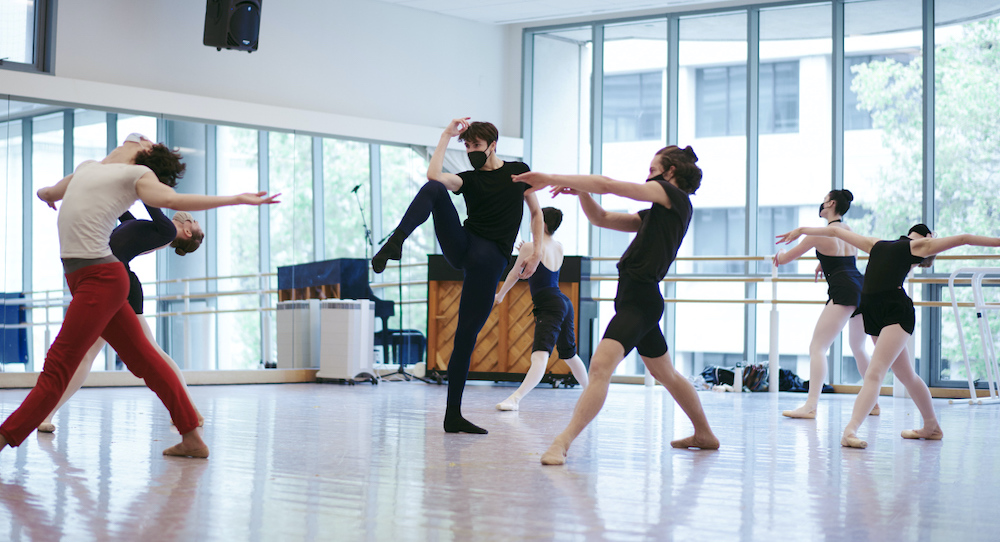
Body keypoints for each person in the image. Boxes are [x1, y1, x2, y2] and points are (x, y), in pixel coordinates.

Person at [0, 133, 279, 459]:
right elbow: (51, 191)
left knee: (59, 364)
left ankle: (5, 436)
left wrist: (234, 199)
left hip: (101, 279)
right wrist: (45, 194)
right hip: (86, 278)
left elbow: (173, 201)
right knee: (146, 359)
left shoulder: (136, 176)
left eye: (141, 140)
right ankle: (192, 436)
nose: (134, 137)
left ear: (145, 153)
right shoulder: (89, 168)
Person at [513, 145, 720, 466]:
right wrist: (581, 192)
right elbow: (602, 217)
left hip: (640, 301)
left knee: (599, 368)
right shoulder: (661, 211)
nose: (648, 176)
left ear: (670, 173)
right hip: (640, 299)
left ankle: (561, 443)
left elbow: (608, 184)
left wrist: (549, 177)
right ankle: (704, 434)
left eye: (653, 170)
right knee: (666, 373)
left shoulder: (670, 196)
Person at [371, 118, 544, 434]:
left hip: (488, 258)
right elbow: (433, 176)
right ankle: (395, 241)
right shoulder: (469, 179)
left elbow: (536, 212)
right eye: (465, 146)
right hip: (465, 247)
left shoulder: (517, 171)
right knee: (435, 188)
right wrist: (445, 136)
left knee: (465, 337)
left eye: (475, 145)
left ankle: (453, 415)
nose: (470, 151)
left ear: (493, 145)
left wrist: (537, 250)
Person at [776, 222, 1000, 448]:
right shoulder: (886, 245)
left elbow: (964, 239)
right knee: (907, 376)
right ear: (929, 235)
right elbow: (964, 238)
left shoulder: (896, 245)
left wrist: (803, 230)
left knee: (875, 373)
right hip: (874, 313)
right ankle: (932, 426)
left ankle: (850, 430)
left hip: (895, 313)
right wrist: (803, 231)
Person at [37, 206, 206, 434]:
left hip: (120, 286)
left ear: (187, 232)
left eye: (193, 220)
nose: (190, 216)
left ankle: (188, 409)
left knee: (149, 352)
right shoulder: (153, 229)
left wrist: (137, 174)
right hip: (111, 281)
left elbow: (149, 201)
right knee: (89, 354)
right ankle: (46, 414)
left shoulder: (166, 231)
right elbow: (122, 211)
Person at [773, 189, 874, 419]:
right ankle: (873, 402)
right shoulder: (848, 230)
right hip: (860, 286)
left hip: (843, 291)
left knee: (817, 348)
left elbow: (785, 259)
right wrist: (823, 263)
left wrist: (778, 253)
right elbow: (848, 259)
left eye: (824, 200)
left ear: (830, 203)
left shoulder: (818, 234)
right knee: (858, 348)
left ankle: (810, 405)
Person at [493, 207, 589, 411]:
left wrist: (499, 296)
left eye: (535, 218)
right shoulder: (558, 246)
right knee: (569, 354)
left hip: (549, 305)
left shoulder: (530, 247)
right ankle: (591, 393)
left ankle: (515, 399)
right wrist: (526, 251)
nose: (531, 222)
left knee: (540, 355)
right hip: (563, 302)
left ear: (542, 223)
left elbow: (514, 274)